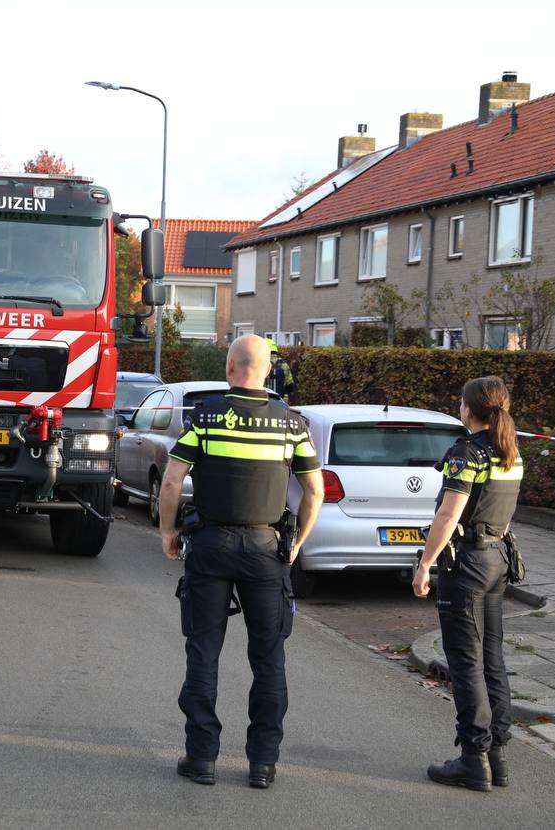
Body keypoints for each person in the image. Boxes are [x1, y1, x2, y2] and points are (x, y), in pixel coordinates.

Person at [158, 334, 323, 789]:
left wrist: (168, 532)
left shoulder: (206, 416)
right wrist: (296, 544)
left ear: (230, 368)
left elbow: (172, 481)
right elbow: (314, 491)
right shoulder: (292, 424)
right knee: (269, 659)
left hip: (210, 548)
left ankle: (201, 757)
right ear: (267, 371)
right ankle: (262, 764)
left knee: (203, 652)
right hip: (267, 552)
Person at [412, 376, 524, 792]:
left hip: (469, 565)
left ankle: (473, 760)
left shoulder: (467, 454)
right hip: (497, 557)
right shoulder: (509, 452)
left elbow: (448, 516)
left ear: (467, 409)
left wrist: (425, 564)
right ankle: (497, 756)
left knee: (465, 662)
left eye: (460, 403)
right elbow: (505, 513)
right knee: (491, 659)